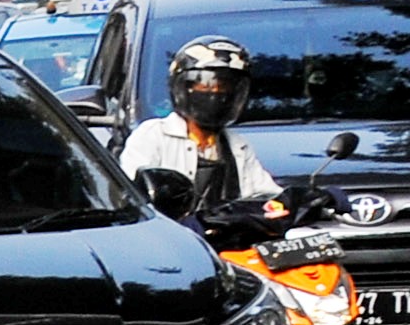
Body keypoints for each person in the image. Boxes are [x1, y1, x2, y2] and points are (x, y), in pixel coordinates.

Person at [119, 35, 288, 243]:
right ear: (183, 87)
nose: (215, 94)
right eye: (205, 86)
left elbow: (266, 198)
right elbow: (134, 200)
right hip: (169, 243)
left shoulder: (236, 145)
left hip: (226, 247)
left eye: (224, 86)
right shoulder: (153, 136)